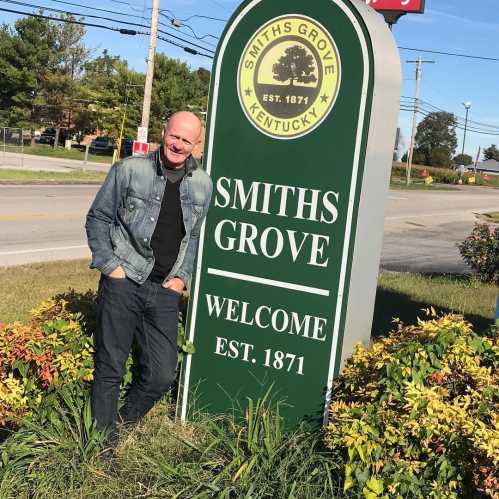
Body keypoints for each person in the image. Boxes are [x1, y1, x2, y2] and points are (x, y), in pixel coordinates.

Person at [85, 111, 212, 438]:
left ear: (196, 144)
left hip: (164, 290)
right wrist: (110, 267)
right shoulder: (129, 170)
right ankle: (102, 446)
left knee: (161, 374)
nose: (179, 145)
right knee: (110, 368)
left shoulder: (202, 185)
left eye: (187, 140)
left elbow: (194, 236)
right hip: (123, 280)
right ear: (163, 132)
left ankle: (121, 425)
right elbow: (98, 218)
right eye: (175, 136)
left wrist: (182, 277)